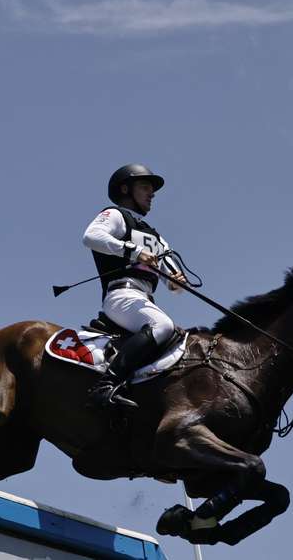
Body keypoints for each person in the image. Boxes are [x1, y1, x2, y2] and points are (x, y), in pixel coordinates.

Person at [82, 164, 187, 410]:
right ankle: (105, 385)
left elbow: (171, 280)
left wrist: (175, 282)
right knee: (162, 326)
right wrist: (134, 251)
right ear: (125, 189)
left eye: (152, 190)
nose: (151, 194)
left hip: (144, 299)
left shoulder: (157, 237)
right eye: (145, 187)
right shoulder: (116, 215)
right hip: (121, 295)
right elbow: (91, 237)